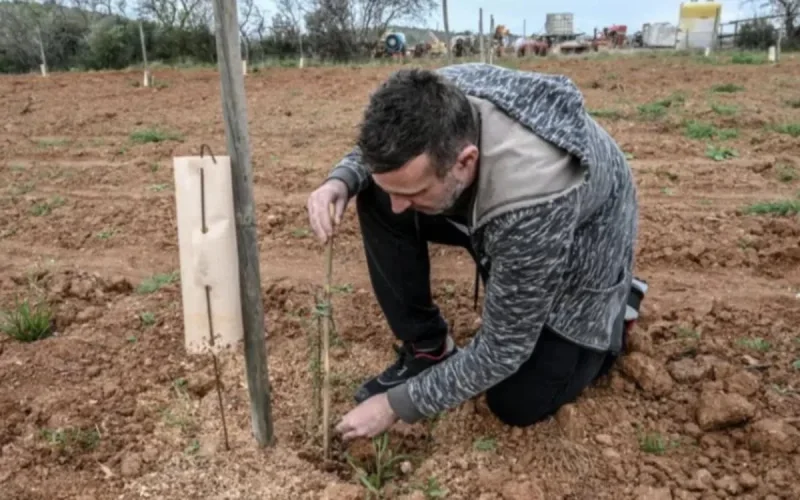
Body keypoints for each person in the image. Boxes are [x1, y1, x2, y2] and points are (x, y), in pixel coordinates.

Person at [305, 63, 648, 441]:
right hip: (509, 224)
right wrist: (342, 178)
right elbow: (384, 151)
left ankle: (616, 309)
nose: (400, 205)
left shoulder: (530, 200)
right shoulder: (439, 93)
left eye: (414, 192)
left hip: (581, 252)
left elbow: (504, 349)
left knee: (516, 402)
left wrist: (395, 406)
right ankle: (429, 349)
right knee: (375, 193)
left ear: (465, 161)